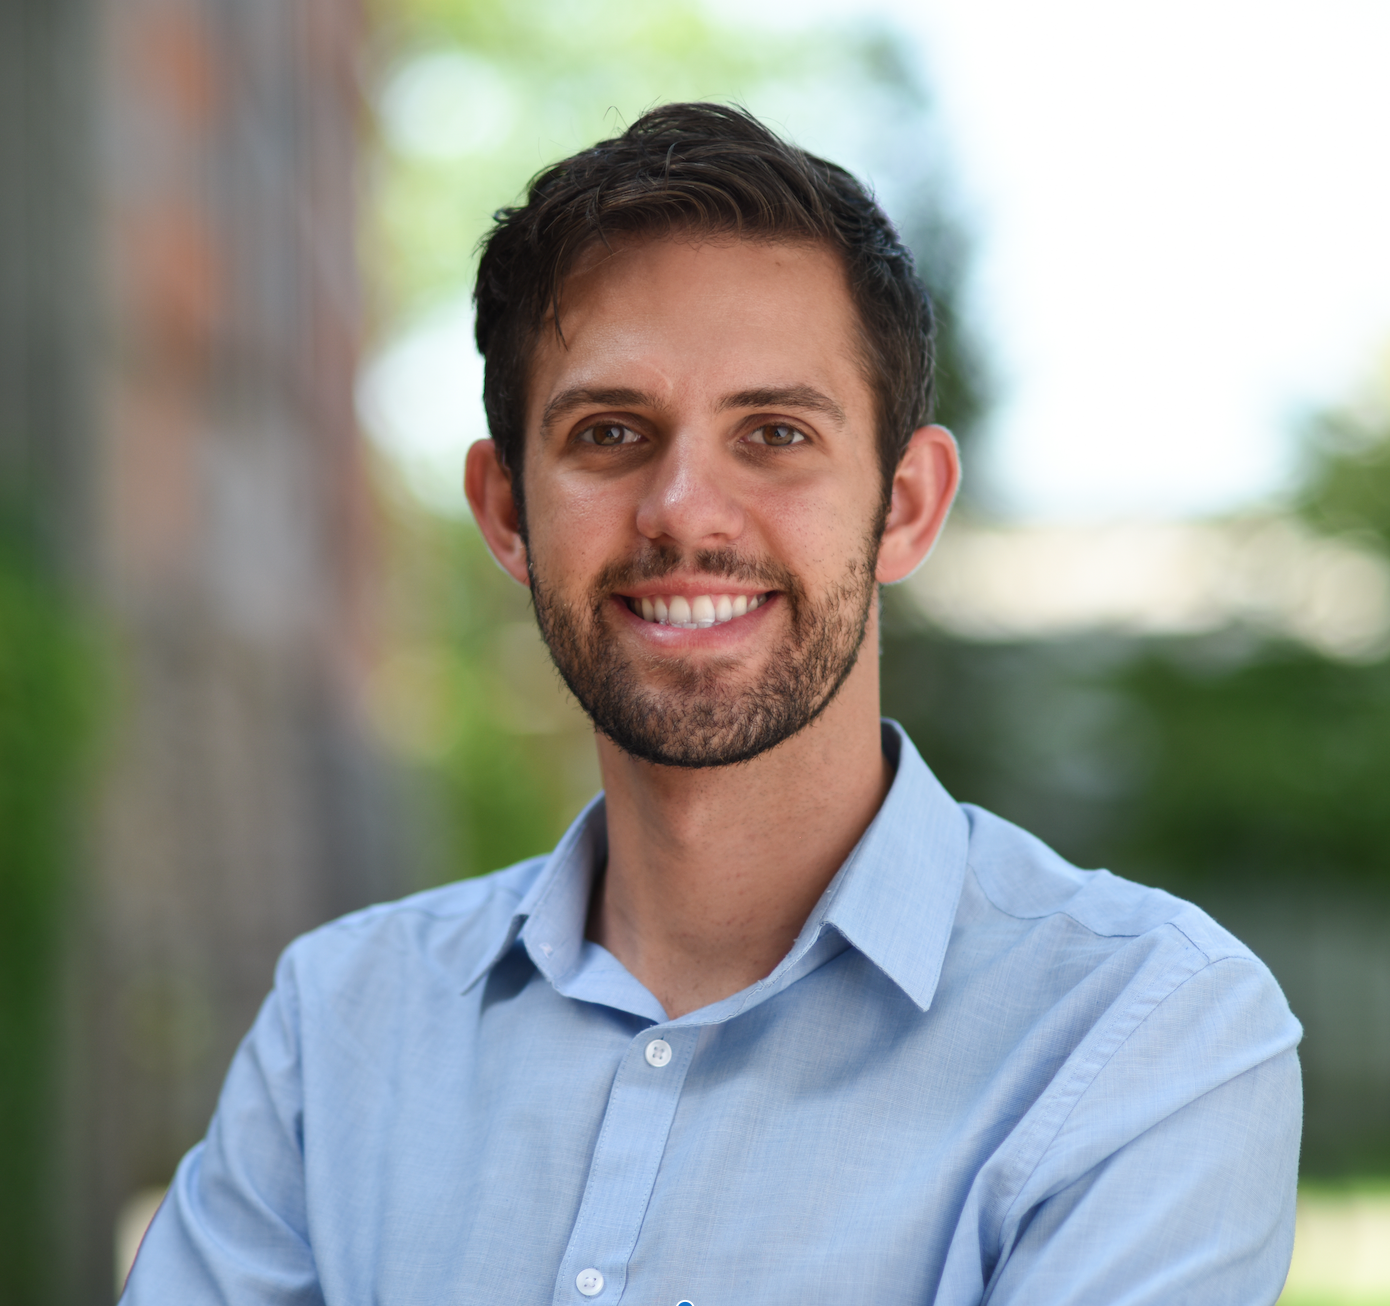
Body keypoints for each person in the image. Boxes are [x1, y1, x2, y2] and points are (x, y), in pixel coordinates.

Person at [123, 103, 1302, 1305]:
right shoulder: (342, 1021)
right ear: (506, 510)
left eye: (775, 432)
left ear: (903, 506)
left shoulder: (1145, 1038)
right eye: (611, 431)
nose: (684, 510)